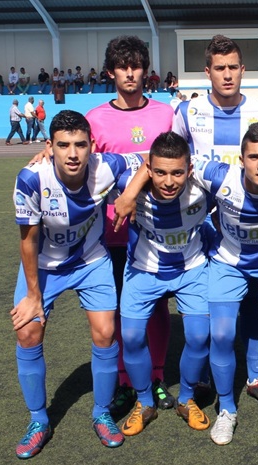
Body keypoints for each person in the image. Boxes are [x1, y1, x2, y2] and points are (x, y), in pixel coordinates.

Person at [115, 123, 258, 445]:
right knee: (212, 335)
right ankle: (221, 409)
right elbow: (131, 162)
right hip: (191, 266)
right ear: (241, 159)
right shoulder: (216, 176)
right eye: (254, 157)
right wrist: (128, 194)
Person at [170, 34, 258, 411]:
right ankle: (208, 375)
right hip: (201, 226)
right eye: (219, 68)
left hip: (248, 222)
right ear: (207, 72)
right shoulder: (187, 112)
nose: (227, 75)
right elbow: (174, 156)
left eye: (233, 68)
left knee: (252, 301)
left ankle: (256, 375)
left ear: (243, 70)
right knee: (215, 311)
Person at [10, 110, 142, 459]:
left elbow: (149, 161)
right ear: (49, 146)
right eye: (63, 145)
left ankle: (101, 413)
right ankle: (39, 420)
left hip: (91, 261)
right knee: (28, 332)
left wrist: (128, 195)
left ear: (92, 145)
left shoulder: (106, 166)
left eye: (80, 145)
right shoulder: (31, 178)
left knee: (105, 332)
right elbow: (28, 240)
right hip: (43, 266)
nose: (72, 154)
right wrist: (34, 296)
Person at [85, 35, 179, 416]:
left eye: (136, 66)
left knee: (156, 307)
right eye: (122, 67)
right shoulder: (95, 119)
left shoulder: (166, 114)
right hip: (113, 234)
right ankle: (126, 381)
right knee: (121, 310)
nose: (129, 73)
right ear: (111, 72)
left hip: (157, 232)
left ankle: (156, 376)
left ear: (145, 71)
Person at [116, 132, 212, 436]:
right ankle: (144, 402)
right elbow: (88, 165)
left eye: (177, 173)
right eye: (159, 172)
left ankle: (186, 398)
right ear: (148, 169)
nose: (168, 181)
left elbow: (251, 172)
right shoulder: (125, 181)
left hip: (191, 270)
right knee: (131, 338)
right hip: (143, 271)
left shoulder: (206, 184)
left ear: (190, 169)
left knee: (199, 337)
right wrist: (45, 156)